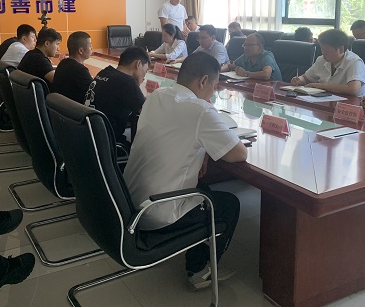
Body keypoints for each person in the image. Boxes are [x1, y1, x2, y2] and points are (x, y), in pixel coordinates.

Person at [124, 52, 247, 290]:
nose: (212, 93)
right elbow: (239, 154)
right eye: (214, 86)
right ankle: (199, 271)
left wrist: (203, 151)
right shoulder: (200, 110)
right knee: (228, 204)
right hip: (157, 213)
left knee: (204, 189)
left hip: (130, 204)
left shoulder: (157, 96)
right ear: (203, 81)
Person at [85, 46, 148, 150]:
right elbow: (147, 112)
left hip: (89, 136)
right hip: (108, 144)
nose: (144, 76)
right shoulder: (127, 82)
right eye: (145, 71)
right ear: (138, 64)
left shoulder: (105, 72)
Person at [291, 29, 365, 97]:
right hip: (329, 100)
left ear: (341, 49)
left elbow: (353, 89)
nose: (323, 53)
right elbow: (306, 78)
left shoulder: (354, 62)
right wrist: (299, 80)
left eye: (327, 51)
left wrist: (320, 86)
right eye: (322, 49)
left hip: (355, 105)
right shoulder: (321, 60)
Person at [52, 31, 93, 104]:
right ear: (81, 51)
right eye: (90, 45)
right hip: (77, 109)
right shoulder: (80, 70)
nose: (92, 48)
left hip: (61, 107)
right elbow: (95, 92)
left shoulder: (63, 63)